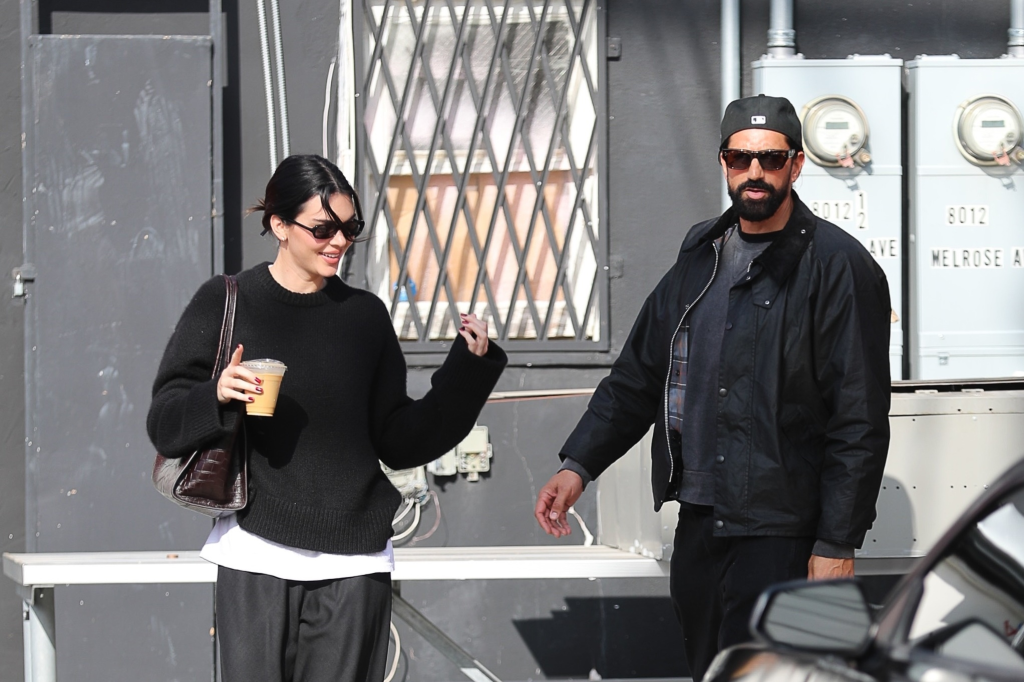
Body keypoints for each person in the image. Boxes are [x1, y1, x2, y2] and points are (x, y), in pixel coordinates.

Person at [534, 95, 891, 681]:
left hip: (783, 531)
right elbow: (637, 375)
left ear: (796, 166)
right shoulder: (701, 254)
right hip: (701, 520)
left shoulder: (837, 266)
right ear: (724, 163)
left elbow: (859, 419)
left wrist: (836, 544)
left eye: (771, 159)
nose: (755, 173)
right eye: (739, 158)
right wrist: (578, 464)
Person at [147, 154, 507, 682]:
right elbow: (165, 422)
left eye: (350, 228)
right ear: (279, 225)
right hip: (256, 552)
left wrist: (467, 373)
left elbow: (399, 441)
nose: (338, 241)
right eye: (322, 228)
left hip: (355, 558)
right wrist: (218, 394)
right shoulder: (227, 301)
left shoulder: (364, 316)